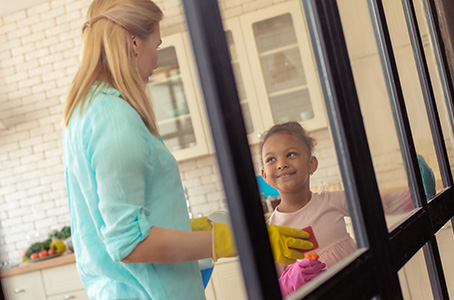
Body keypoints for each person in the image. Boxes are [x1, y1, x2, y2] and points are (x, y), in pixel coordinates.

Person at [62, 1, 313, 299]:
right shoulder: (114, 119)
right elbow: (128, 243)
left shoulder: (86, 113)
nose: (156, 61)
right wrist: (240, 239)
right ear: (133, 43)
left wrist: (196, 227)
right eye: (156, 44)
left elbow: (116, 226)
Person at [260, 122, 436, 296]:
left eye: (290, 154)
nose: (281, 164)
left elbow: (379, 204)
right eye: (271, 159)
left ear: (312, 164)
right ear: (265, 175)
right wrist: (291, 281)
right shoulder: (272, 232)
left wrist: (418, 194)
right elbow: (270, 291)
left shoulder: (331, 201)